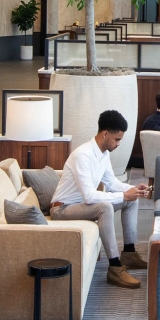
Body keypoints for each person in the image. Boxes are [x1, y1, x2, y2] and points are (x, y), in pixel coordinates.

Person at [49, 110, 151, 289]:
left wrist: (132, 190)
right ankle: (114, 267)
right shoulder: (83, 155)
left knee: (131, 200)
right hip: (62, 209)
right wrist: (123, 194)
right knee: (104, 207)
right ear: (105, 134)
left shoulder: (104, 154)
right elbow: (89, 196)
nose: (119, 144)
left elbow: (111, 182)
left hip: (80, 206)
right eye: (117, 139)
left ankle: (129, 253)